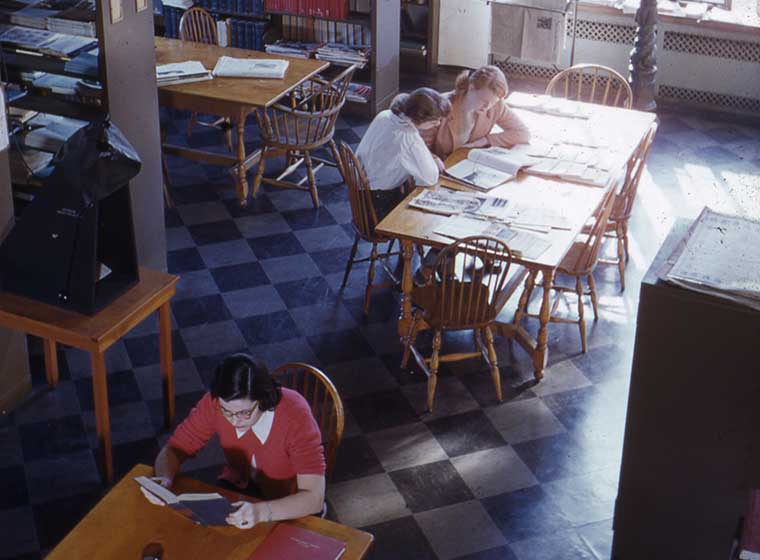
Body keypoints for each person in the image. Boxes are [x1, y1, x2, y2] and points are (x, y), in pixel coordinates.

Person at [140, 353, 326, 530]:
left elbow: (314, 498)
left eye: (245, 413)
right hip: (240, 486)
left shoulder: (295, 415)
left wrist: (261, 512)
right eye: (226, 411)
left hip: (286, 503)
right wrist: (164, 477)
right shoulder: (215, 403)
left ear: (264, 399)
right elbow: (175, 448)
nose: (234, 421)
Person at [355, 87, 451, 222]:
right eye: (435, 121)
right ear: (420, 118)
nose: (438, 124)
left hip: (360, 195)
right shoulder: (407, 136)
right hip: (377, 206)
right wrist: (432, 160)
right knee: (432, 217)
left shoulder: (386, 115)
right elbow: (430, 177)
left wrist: (431, 157)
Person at [421, 65, 531, 160]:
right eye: (484, 101)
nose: (487, 107)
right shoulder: (440, 106)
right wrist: (434, 159)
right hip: (438, 171)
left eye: (493, 102)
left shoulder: (496, 105)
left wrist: (486, 140)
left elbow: (523, 133)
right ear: (471, 87)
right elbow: (420, 148)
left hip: (468, 164)